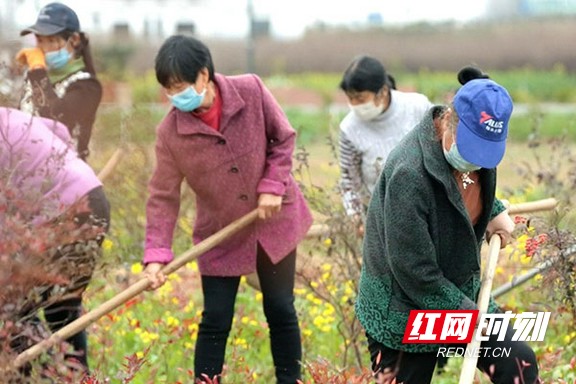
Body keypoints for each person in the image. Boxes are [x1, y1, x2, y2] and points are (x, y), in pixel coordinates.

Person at [142, 35, 313, 384]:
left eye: (180, 86)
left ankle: (289, 380)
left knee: (280, 308)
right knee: (216, 317)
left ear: (203, 76)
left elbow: (283, 138)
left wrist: (271, 186)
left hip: (273, 219)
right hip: (221, 232)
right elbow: (163, 195)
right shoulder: (171, 132)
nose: (175, 97)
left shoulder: (250, 90)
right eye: (168, 90)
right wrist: (157, 253)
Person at [355, 67, 539, 383]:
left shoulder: (478, 147)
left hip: (458, 292)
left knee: (517, 362)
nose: (478, 161)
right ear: (450, 123)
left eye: (486, 154)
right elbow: (416, 273)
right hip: (405, 308)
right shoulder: (409, 175)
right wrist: (470, 317)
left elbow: (464, 188)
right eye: (472, 151)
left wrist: (492, 209)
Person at [0, 107, 110, 371]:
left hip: (61, 217)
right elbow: (59, 131)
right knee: (61, 305)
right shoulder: (11, 116)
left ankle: (37, 375)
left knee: (13, 311)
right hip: (93, 198)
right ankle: (77, 375)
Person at [338, 55, 433, 219]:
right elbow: (349, 182)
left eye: (360, 98)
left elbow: (443, 147)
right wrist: (356, 217)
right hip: (381, 215)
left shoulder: (417, 107)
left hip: (427, 206)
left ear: (382, 92)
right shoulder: (350, 129)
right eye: (350, 98)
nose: (354, 104)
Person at [15, 2, 102, 161]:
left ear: (74, 40)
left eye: (51, 41)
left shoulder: (87, 87)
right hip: (27, 172)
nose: (43, 48)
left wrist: (38, 70)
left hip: (67, 176)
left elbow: (55, 120)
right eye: (40, 41)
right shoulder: (35, 77)